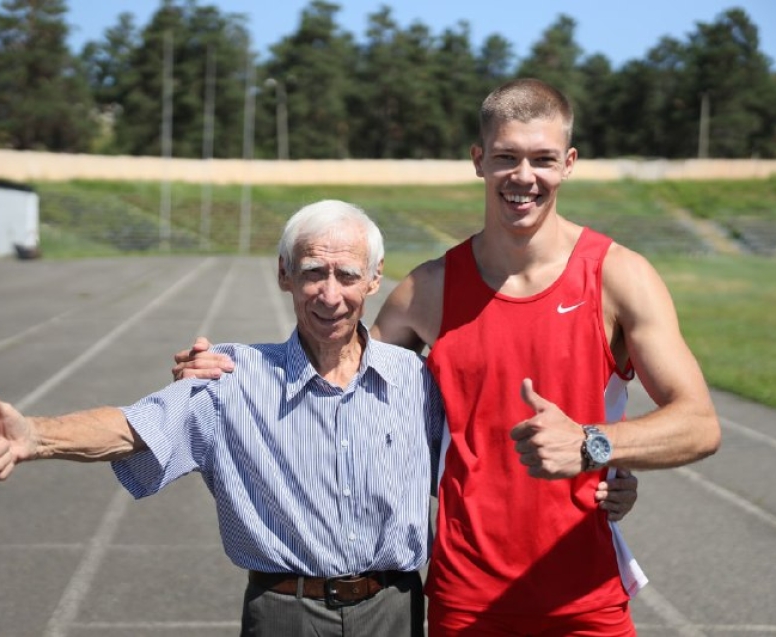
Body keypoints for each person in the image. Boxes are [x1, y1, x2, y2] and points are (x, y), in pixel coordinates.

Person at [173, 78, 721, 636]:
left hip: (584, 598)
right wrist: (230, 371)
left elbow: (699, 422)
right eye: (506, 157)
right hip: (465, 600)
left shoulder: (617, 276)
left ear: (569, 163)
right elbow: (335, 385)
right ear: (479, 160)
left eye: (543, 159)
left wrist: (596, 444)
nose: (524, 177)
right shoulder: (428, 292)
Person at [0, 200, 446, 637]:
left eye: (347, 275)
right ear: (284, 274)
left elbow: (468, 474)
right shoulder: (229, 378)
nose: (329, 293)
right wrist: (37, 436)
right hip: (285, 613)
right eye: (313, 271)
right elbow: (132, 428)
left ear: (375, 278)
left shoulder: (415, 381)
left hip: (395, 611)